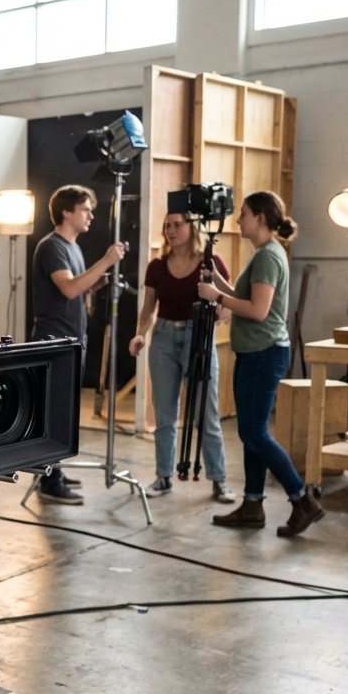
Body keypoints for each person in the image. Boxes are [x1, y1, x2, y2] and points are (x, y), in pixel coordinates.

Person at [197, 189, 324, 537]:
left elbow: (258, 310)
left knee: (253, 431)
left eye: (244, 214)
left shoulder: (268, 256)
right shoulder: (265, 253)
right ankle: (253, 504)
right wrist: (218, 283)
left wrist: (216, 296)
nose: (238, 219)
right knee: (251, 432)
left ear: (261, 219)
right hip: (256, 351)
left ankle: (302, 500)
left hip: (264, 351)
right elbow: (246, 297)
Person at [129, 212, 235, 502]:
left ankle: (219, 480)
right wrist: (140, 334)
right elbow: (148, 307)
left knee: (206, 413)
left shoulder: (210, 263)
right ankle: (163, 476)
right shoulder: (156, 266)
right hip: (163, 338)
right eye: (167, 226)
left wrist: (222, 311)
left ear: (192, 227)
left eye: (178, 225)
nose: (171, 230)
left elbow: (227, 299)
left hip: (197, 337)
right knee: (164, 413)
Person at [31, 184, 126, 504]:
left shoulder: (72, 246)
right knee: (53, 414)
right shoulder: (52, 246)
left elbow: (78, 288)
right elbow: (70, 289)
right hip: (54, 342)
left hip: (72, 341)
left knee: (64, 413)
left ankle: (53, 470)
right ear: (66, 212)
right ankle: (49, 479)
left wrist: (98, 281)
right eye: (85, 209)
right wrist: (106, 260)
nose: (91, 215)